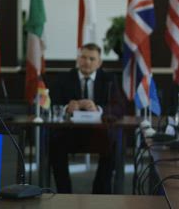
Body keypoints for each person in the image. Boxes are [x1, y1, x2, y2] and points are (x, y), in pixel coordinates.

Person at [49, 43, 125, 194]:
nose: (87, 62)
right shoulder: (64, 78)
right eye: (83, 57)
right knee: (54, 142)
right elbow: (51, 103)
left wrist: (99, 109)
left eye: (92, 58)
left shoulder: (109, 79)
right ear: (78, 59)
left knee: (114, 142)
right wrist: (66, 108)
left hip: (98, 133)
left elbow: (119, 108)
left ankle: (100, 191)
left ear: (99, 62)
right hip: (70, 132)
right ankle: (64, 193)